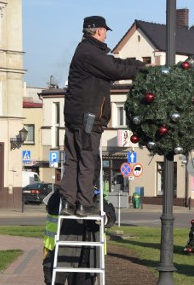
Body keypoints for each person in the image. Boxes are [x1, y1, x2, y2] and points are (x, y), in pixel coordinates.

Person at [60, 15, 144, 217]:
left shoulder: (86, 51)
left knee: (73, 160)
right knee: (88, 160)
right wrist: (140, 71)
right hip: (87, 117)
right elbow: (114, 69)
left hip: (75, 116)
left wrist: (135, 63)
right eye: (105, 31)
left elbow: (113, 62)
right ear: (98, 31)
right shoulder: (89, 53)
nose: (106, 34)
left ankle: (68, 203)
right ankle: (84, 204)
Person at [42, 188, 116, 285]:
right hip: (57, 255)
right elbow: (54, 207)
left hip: (86, 256)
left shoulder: (97, 199)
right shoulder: (59, 197)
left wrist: (103, 215)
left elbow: (110, 214)